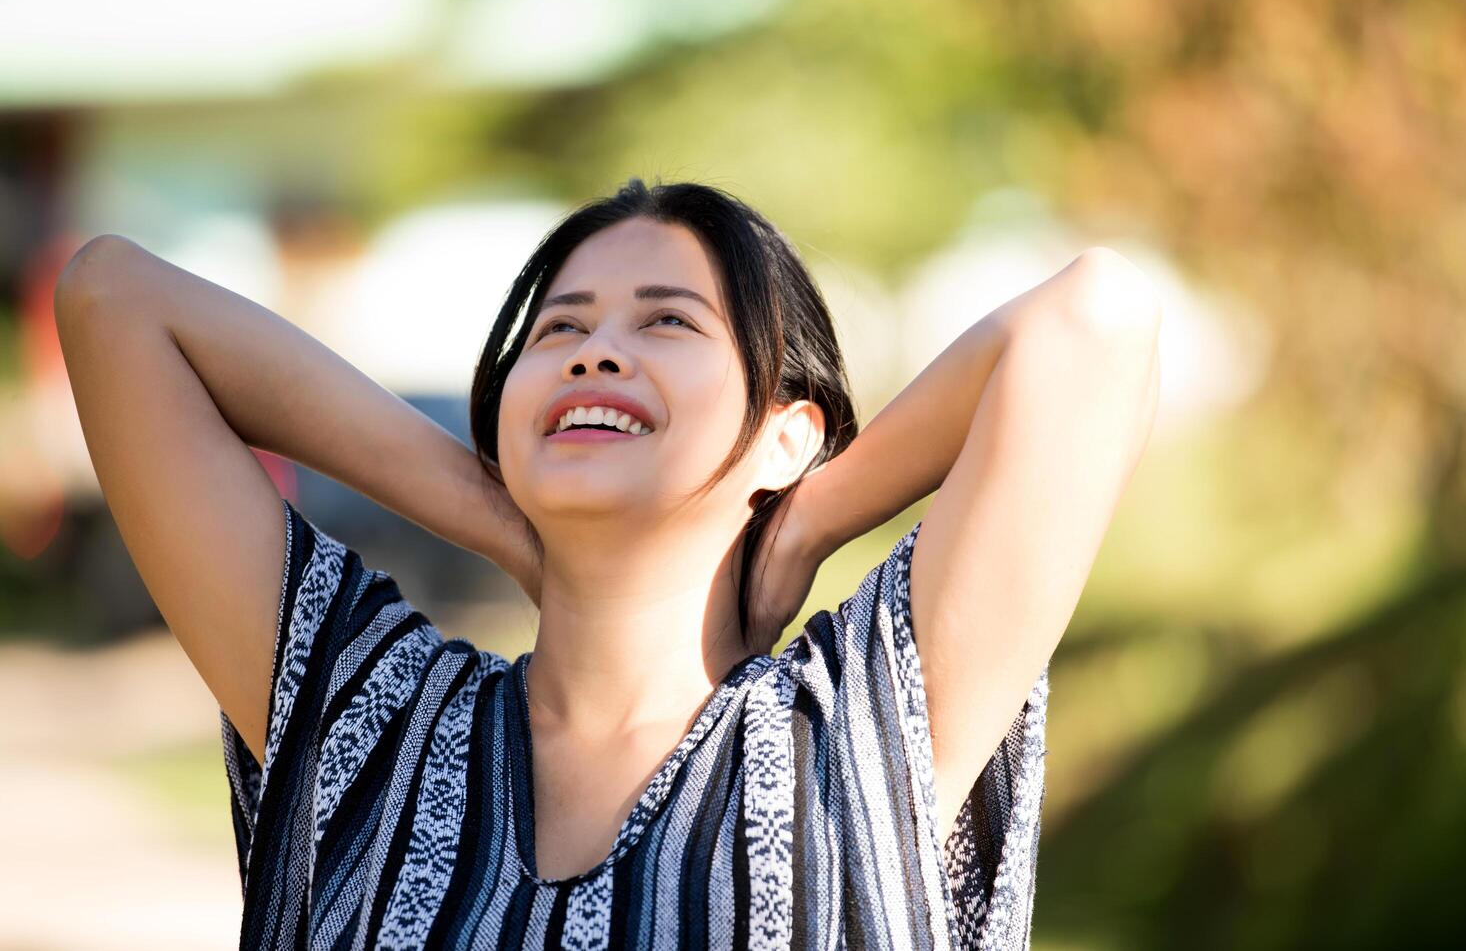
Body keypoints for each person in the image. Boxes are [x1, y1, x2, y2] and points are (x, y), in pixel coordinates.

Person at [53, 177, 1160, 949]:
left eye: (667, 320)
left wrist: (808, 516)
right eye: (559, 329)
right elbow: (114, 300)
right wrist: (486, 504)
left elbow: (1091, 322)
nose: (594, 347)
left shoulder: (859, 725)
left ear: (787, 429)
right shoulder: (370, 715)